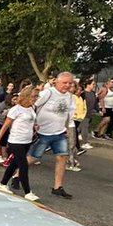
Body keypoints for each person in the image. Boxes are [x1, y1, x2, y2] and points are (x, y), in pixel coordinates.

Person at [29, 71, 75, 200]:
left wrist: (68, 128)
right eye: (64, 82)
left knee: (62, 157)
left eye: (69, 83)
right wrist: (32, 123)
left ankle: (57, 187)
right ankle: (16, 175)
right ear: (56, 82)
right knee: (33, 158)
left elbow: (69, 114)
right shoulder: (47, 93)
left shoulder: (70, 97)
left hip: (59, 132)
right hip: (43, 132)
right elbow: (32, 105)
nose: (67, 85)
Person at [0, 84, 40, 200]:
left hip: (26, 141)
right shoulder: (15, 110)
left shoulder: (31, 108)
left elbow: (30, 122)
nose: (35, 99)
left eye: (36, 97)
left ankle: (2, 184)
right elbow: (4, 127)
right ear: (26, 96)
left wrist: (34, 126)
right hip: (15, 141)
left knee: (14, 164)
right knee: (23, 166)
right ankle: (28, 192)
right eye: (33, 96)